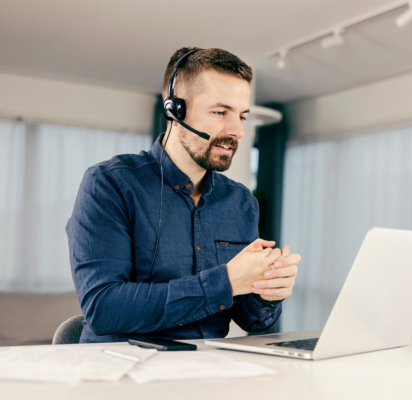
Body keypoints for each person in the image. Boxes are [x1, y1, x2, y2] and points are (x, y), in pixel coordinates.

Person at [66, 47, 300, 344]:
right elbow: (104, 308)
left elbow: (249, 318)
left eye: (242, 116)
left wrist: (268, 295)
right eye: (220, 112)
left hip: (209, 371)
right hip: (123, 375)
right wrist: (225, 281)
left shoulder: (241, 203)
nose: (237, 130)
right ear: (174, 111)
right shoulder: (109, 184)